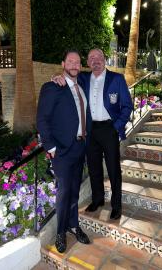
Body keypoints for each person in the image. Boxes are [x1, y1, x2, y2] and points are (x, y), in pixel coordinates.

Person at [53, 49, 133, 220]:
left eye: (99, 57)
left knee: (113, 168)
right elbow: (67, 79)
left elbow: (127, 105)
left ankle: (116, 205)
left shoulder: (116, 79)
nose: (95, 60)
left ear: (105, 60)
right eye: (91, 58)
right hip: (90, 130)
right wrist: (56, 77)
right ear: (87, 63)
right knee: (94, 167)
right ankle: (97, 199)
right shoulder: (82, 78)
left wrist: (116, 126)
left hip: (109, 128)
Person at [37, 50, 91, 253]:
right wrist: (50, 147)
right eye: (70, 62)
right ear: (63, 64)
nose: (74, 65)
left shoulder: (82, 84)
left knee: (75, 191)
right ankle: (60, 232)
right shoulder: (52, 86)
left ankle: (73, 224)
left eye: (77, 62)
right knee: (64, 192)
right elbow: (42, 119)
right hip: (62, 150)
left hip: (80, 147)